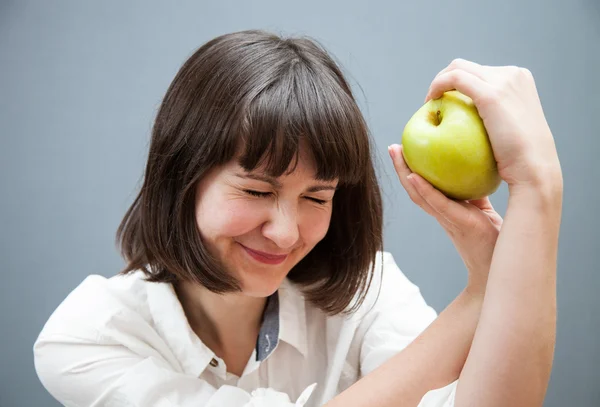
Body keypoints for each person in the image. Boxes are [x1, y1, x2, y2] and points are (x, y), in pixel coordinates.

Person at [33, 29, 563, 407]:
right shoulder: (90, 335)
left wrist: (539, 189)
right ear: (182, 176)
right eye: (257, 190)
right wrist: (481, 296)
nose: (286, 233)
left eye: (317, 197)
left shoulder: (369, 292)